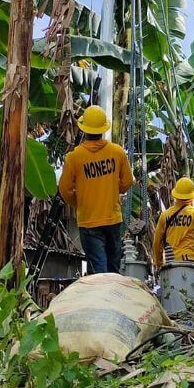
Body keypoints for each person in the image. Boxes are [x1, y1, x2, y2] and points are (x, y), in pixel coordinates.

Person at [59, 105, 134, 274]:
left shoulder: (74, 157)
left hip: (88, 220)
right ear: (103, 129)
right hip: (113, 219)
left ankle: (102, 299)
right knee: (114, 267)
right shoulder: (117, 152)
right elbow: (128, 182)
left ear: (84, 129)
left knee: (99, 269)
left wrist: (79, 203)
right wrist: (113, 191)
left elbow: (65, 190)